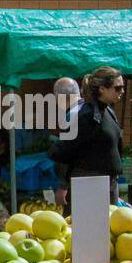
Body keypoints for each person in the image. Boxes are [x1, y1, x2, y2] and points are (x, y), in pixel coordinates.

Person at [48, 66, 124, 206]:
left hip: (108, 183)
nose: (122, 91)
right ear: (102, 89)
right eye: (117, 88)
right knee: (92, 227)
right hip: (90, 183)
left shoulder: (108, 111)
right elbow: (67, 151)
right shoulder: (87, 115)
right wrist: (63, 185)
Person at [52, 77, 82, 206]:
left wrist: (63, 186)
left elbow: (67, 153)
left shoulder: (71, 116)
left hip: (77, 179)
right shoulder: (88, 110)